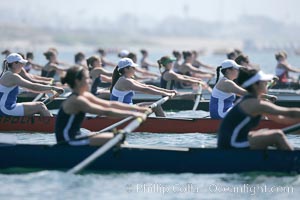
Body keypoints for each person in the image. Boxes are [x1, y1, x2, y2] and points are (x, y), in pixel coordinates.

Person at [55, 66, 149, 146]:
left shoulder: (85, 95)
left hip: (77, 135)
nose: (90, 81)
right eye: (87, 78)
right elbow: (106, 111)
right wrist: (133, 115)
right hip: (68, 141)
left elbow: (110, 104)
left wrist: (138, 108)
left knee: (112, 136)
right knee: (117, 138)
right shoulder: (76, 100)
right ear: (77, 81)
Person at [218, 68, 300, 150]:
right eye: (263, 81)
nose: (266, 82)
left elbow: (280, 119)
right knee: (277, 135)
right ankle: (293, 161)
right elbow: (289, 113)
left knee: (265, 131)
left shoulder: (249, 100)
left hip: (231, 140)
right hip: (231, 144)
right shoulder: (255, 104)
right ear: (255, 85)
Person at [209, 60, 276, 119]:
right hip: (220, 115)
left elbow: (248, 94)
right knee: (257, 106)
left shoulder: (226, 81)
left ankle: (265, 122)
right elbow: (246, 93)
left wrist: (266, 84)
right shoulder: (226, 83)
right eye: (236, 69)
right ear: (228, 70)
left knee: (258, 103)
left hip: (224, 112)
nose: (238, 71)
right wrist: (268, 96)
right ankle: (266, 124)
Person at [110, 58, 175, 117]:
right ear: (126, 69)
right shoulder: (124, 81)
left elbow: (147, 86)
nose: (135, 69)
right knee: (156, 106)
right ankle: (164, 125)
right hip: (121, 113)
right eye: (133, 67)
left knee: (154, 105)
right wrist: (165, 94)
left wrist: (168, 91)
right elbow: (145, 90)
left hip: (128, 108)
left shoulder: (127, 79)